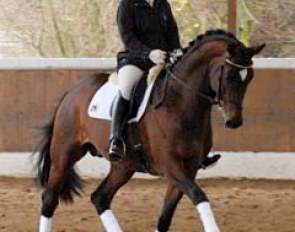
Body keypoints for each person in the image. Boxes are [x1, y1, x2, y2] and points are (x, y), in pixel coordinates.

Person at [109, 0, 182, 159]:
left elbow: (171, 31)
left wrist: (176, 49)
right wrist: (148, 53)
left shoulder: (162, 3)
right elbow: (128, 38)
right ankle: (116, 139)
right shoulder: (127, 5)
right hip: (135, 60)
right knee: (127, 88)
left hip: (163, 59)